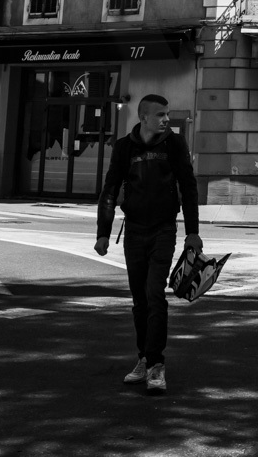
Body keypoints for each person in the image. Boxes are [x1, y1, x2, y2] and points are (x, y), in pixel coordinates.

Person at [95, 93, 201, 396]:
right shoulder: (125, 147)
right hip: (134, 231)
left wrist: (192, 232)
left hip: (164, 229)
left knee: (155, 293)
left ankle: (156, 364)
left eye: (167, 114)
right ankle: (143, 357)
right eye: (160, 115)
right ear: (143, 117)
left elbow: (189, 187)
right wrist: (103, 232)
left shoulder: (174, 144)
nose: (166, 119)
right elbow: (110, 189)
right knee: (139, 299)